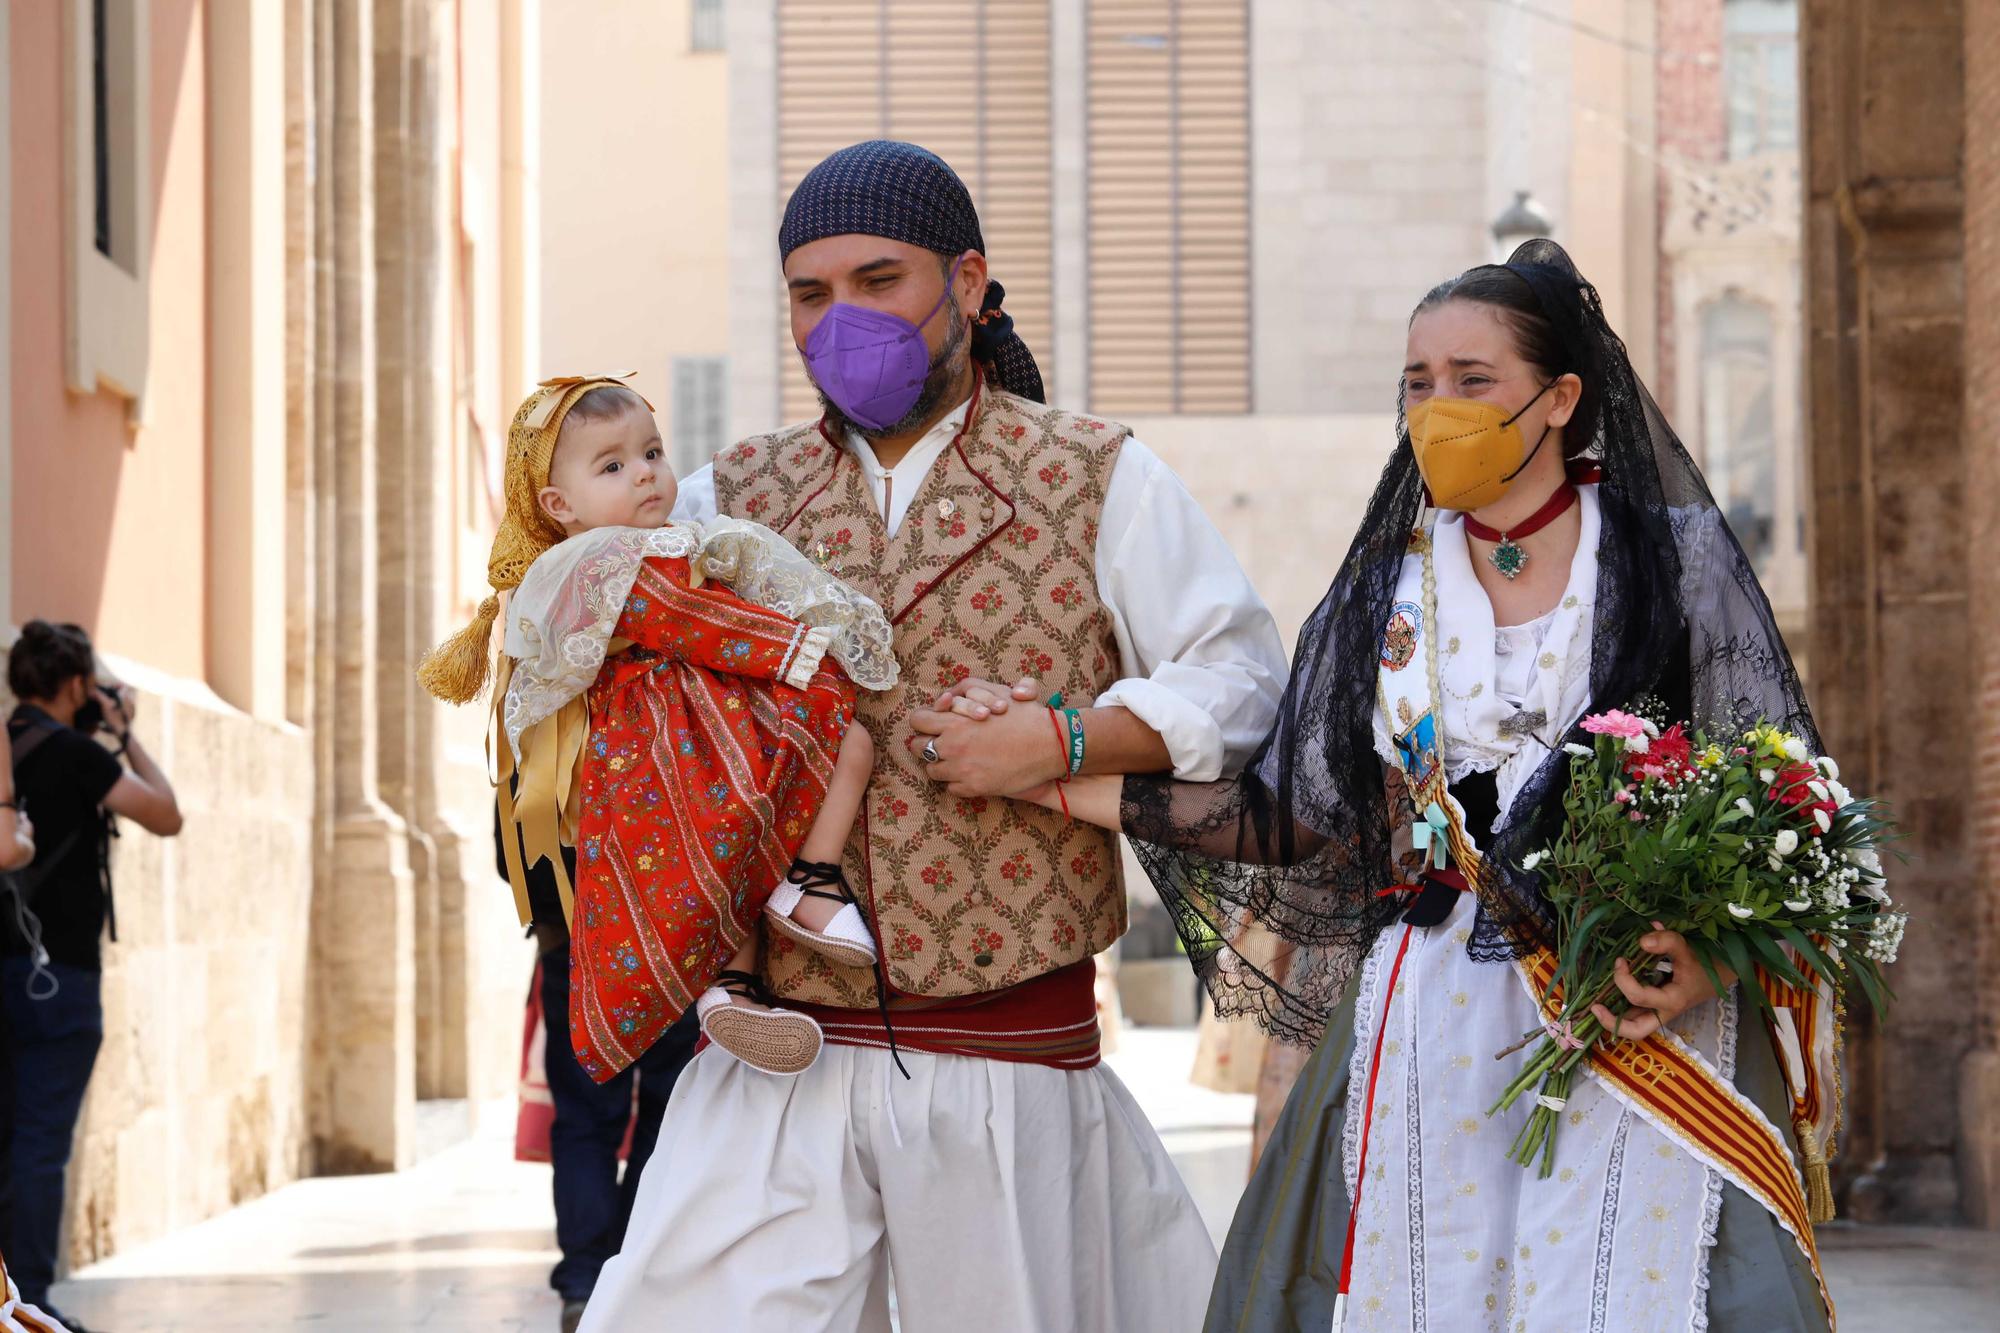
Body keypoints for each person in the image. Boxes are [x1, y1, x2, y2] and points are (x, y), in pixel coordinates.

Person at [1020, 241, 1837, 1332]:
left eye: (1470, 380)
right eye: (1417, 383)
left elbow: (1783, 795)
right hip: (1429, 1008)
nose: (1435, 406)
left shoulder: (1672, 561)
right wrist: (1056, 778)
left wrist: (1693, 953)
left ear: (1557, 398)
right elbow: (1297, 816)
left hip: (1641, 1010)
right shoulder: (1381, 587)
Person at [581, 139, 1289, 1332]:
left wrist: (1065, 738)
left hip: (1001, 1059)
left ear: (965, 283)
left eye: (879, 280)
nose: (840, 318)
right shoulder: (720, 498)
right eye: (811, 294)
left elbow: (1238, 677)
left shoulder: (1095, 474)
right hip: (770, 1060)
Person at [422, 374, 900, 1079]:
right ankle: (808, 883)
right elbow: (687, 617)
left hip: (699, 726)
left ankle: (733, 982)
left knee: (734, 845)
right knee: (830, 746)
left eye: (652, 451)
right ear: (560, 505)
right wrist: (795, 649)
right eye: (613, 465)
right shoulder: (604, 561)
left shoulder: (659, 543)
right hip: (666, 739)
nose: (645, 473)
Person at [0, 622, 182, 1329]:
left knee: (9, 1138)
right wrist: (126, 731)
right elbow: (165, 813)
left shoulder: (7, 749)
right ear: (77, 683)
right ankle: (31, 1303)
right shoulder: (79, 754)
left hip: (5, 968)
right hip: (61, 976)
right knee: (42, 1147)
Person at [497, 813, 700, 1333]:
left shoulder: (545, 726)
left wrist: (552, 915)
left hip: (573, 935)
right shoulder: (675, 726)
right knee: (664, 1113)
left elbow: (510, 848)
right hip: (669, 936)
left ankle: (586, 1283)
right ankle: (623, 1272)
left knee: (586, 1118)